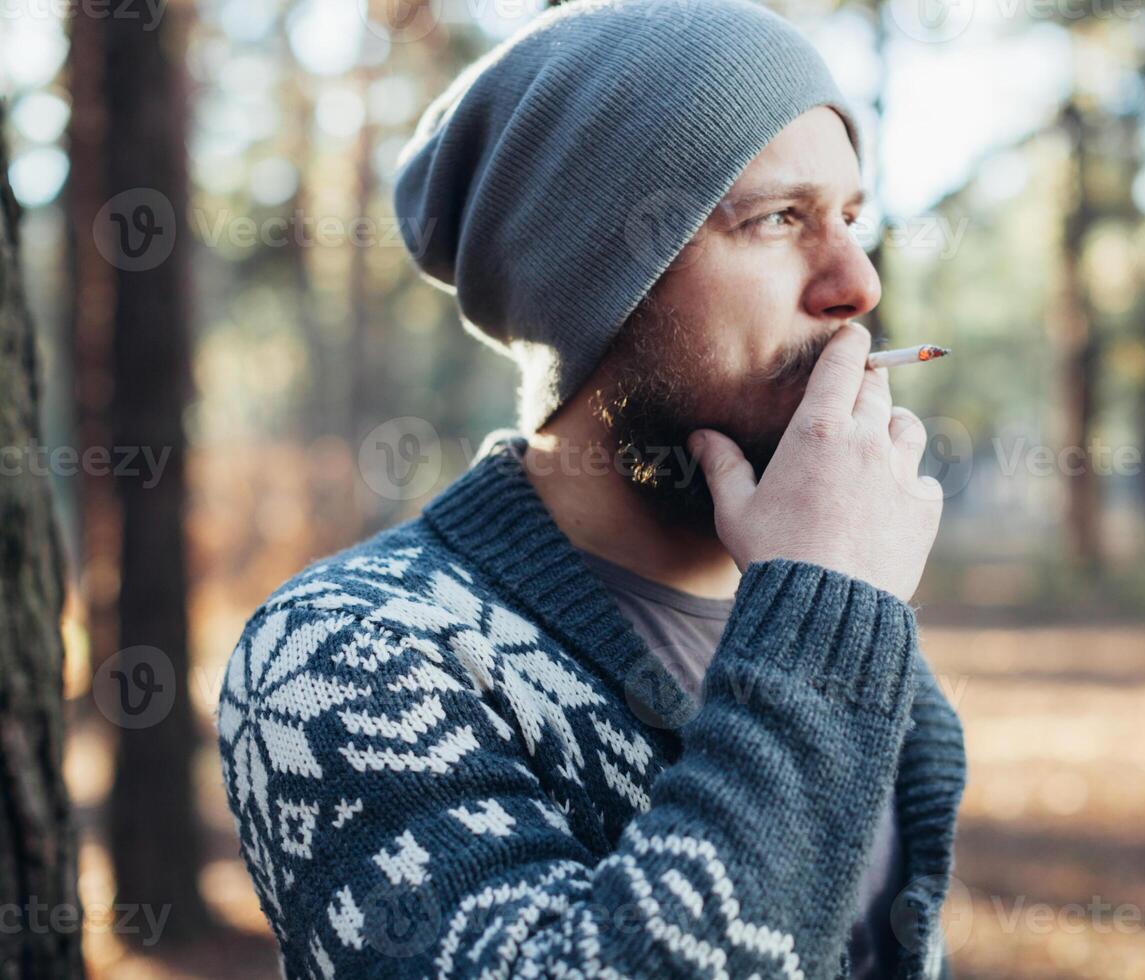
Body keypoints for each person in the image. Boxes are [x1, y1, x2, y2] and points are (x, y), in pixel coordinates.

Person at [216, 1, 968, 976]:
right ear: (600, 281)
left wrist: (832, 607)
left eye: (851, 218)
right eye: (779, 219)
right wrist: (828, 607)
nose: (857, 283)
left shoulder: (853, 639)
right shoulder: (351, 650)